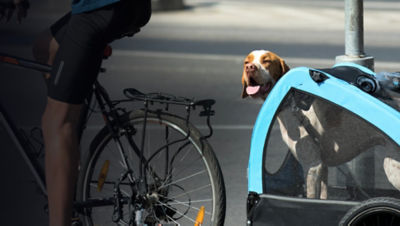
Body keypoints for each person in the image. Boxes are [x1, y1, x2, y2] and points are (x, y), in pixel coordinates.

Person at [1, 0, 151, 225]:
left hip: (100, 7)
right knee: (45, 47)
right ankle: (68, 156)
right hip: (121, 6)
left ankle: (61, 216)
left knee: (55, 123)